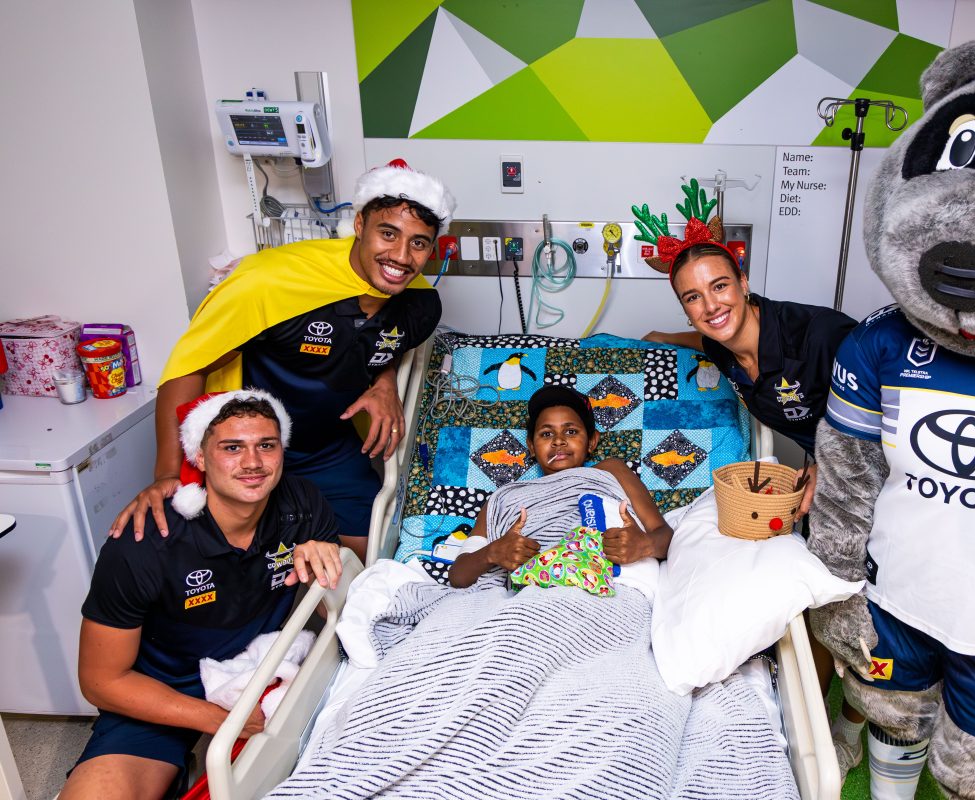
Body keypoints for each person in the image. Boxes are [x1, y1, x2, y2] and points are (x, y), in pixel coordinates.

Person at [111, 159, 455, 563]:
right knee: (231, 561)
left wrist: (383, 384)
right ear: (360, 225)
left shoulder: (419, 306)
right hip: (245, 444)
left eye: (418, 242)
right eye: (387, 233)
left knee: (368, 561)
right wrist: (167, 474)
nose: (400, 256)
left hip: (326, 446)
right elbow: (190, 366)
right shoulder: (269, 283)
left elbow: (379, 344)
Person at [642, 219, 866, 771]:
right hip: (826, 483)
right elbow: (703, 336)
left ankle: (851, 724)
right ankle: (808, 718)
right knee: (815, 596)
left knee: (868, 606)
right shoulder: (723, 347)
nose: (710, 305)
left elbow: (888, 402)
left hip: (872, 472)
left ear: (742, 280)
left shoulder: (820, 336)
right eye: (692, 298)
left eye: (719, 286)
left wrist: (826, 463)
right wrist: (660, 340)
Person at [61, 391, 342, 800]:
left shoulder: (301, 506)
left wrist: (327, 563)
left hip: (257, 670)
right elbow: (101, 681)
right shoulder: (143, 543)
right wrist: (217, 720)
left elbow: (341, 612)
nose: (252, 463)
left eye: (266, 445)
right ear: (200, 458)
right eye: (232, 448)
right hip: (162, 690)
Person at [449, 385, 672, 588]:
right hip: (531, 598)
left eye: (571, 431)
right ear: (531, 447)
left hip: (609, 590)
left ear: (592, 441)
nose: (558, 440)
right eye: (546, 434)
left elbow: (665, 536)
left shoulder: (611, 470)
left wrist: (644, 545)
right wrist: (492, 553)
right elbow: (458, 577)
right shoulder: (504, 497)